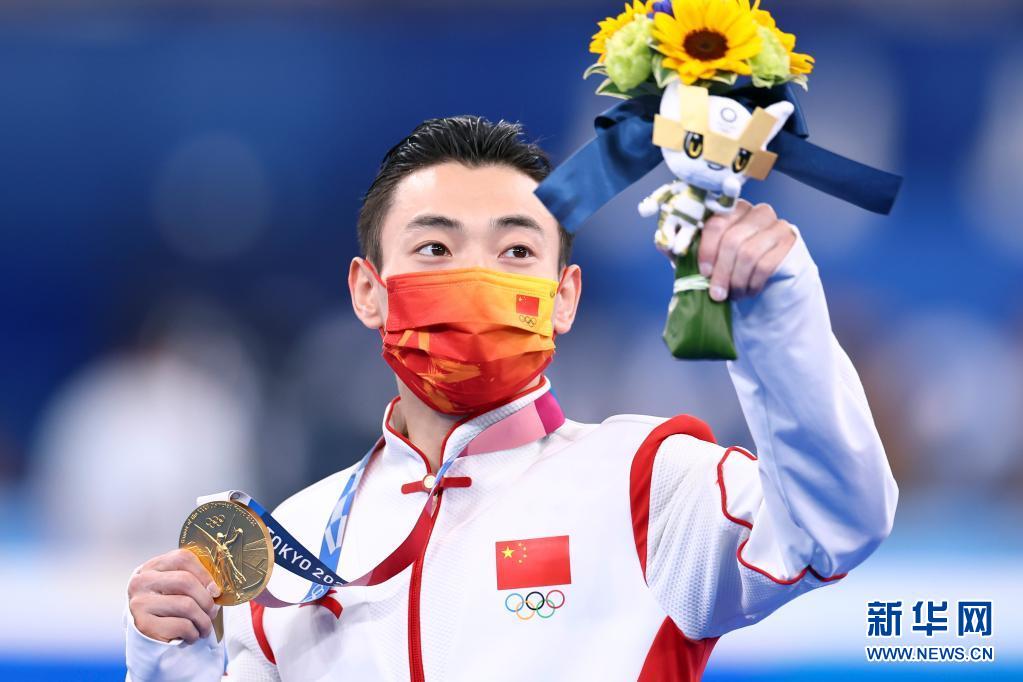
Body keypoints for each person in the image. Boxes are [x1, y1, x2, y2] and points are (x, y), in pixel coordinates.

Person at [124, 115, 898, 681]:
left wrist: (778, 321)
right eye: (434, 248)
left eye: (516, 250)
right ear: (368, 291)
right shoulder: (291, 541)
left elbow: (836, 523)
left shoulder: (648, 483)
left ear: (564, 298)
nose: (476, 278)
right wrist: (170, 660)